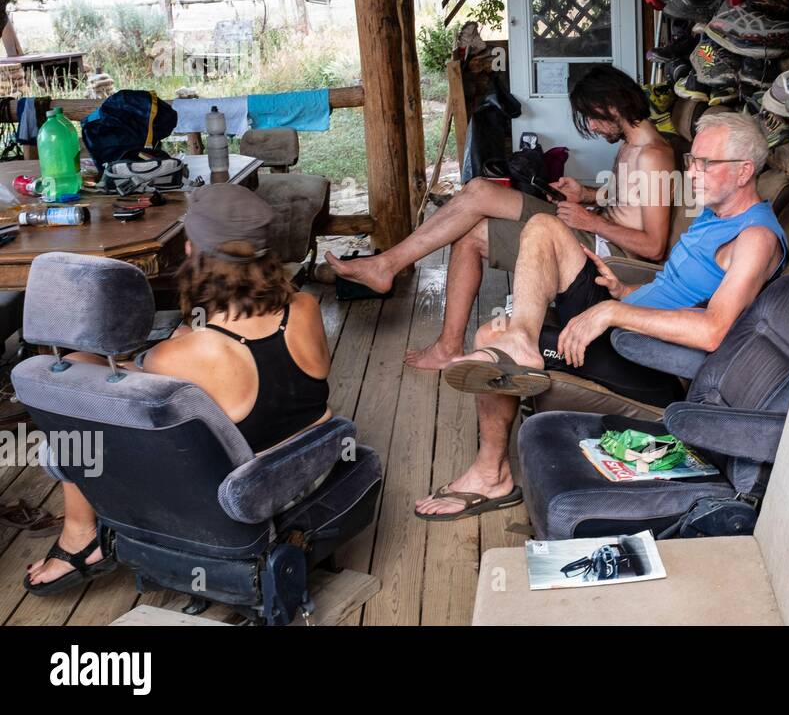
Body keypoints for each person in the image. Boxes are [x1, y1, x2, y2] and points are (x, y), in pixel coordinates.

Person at [415, 111, 787, 520]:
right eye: (691, 161)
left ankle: (492, 476)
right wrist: (625, 291)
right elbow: (683, 291)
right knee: (543, 225)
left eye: (705, 163)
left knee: (489, 337)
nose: (692, 173)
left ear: (744, 171)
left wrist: (614, 312)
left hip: (648, 360)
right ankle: (522, 339)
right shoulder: (716, 214)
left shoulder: (754, 238)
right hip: (626, 319)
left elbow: (713, 332)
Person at [24, 184, 334, 594]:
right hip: (312, 459)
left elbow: (127, 389)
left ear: (193, 254)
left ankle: (79, 535)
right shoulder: (306, 308)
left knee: (76, 386)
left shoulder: (179, 356)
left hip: (242, 485)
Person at [326, 65, 677, 371]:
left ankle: (397, 282)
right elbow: (630, 203)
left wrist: (592, 221)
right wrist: (585, 195)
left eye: (592, 117)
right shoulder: (632, 146)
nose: (591, 126)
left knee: (475, 218)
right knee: (476, 203)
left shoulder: (655, 156)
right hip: (591, 228)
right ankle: (403, 287)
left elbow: (654, 246)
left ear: (612, 105)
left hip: (603, 254)